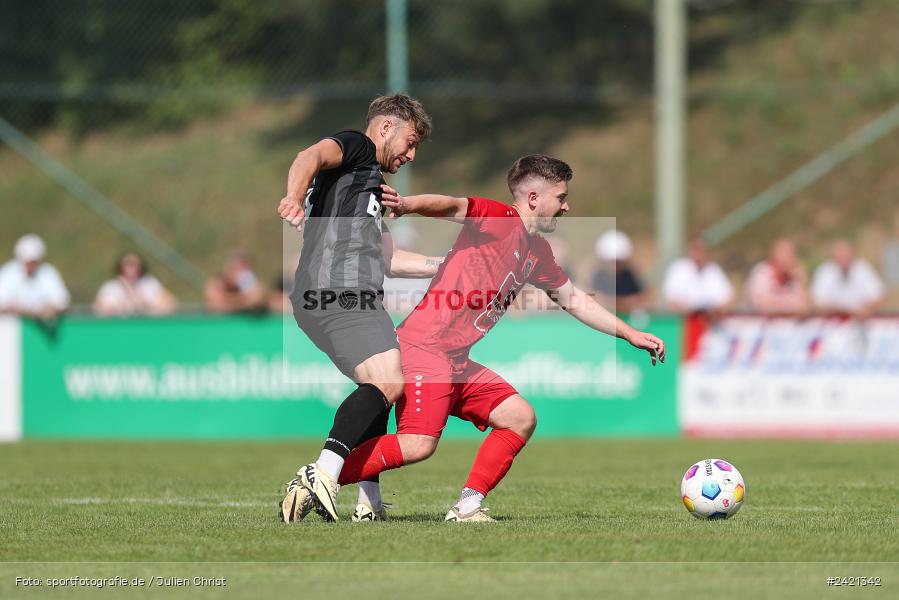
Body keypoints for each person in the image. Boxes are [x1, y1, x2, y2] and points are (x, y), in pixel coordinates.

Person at [289, 155, 665, 523]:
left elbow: (576, 300)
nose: (566, 206)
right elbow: (453, 205)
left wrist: (630, 333)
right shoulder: (499, 219)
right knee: (419, 445)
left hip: (455, 360)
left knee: (520, 417)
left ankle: (467, 506)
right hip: (425, 349)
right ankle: (320, 477)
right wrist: (407, 204)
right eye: (561, 197)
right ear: (533, 198)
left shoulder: (538, 251)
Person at [278, 93, 439, 523]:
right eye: (410, 141)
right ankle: (323, 474)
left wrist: (449, 267)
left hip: (336, 293)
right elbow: (308, 155)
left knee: (381, 386)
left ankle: (368, 500)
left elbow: (390, 260)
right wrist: (293, 196)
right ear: (386, 128)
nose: (411, 153)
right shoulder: (358, 147)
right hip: (339, 288)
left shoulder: (366, 187)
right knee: (388, 380)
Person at [0, 234, 70, 321]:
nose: (31, 266)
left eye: (34, 262)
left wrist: (48, 309)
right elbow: (3, 303)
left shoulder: (48, 272)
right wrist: (27, 312)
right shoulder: (8, 273)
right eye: (28, 262)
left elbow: (62, 301)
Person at [811, 240, 884, 316]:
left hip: (861, 321)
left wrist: (864, 309)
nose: (843, 259)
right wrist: (849, 310)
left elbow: (877, 295)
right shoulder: (825, 271)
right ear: (833, 257)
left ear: (853, 255)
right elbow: (819, 303)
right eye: (840, 256)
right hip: (831, 323)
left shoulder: (863, 268)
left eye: (846, 255)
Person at [662, 237, 733, 314]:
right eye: (696, 249)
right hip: (684, 319)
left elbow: (727, 298)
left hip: (711, 319)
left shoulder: (714, 269)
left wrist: (715, 309)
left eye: (702, 250)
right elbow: (672, 299)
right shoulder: (678, 268)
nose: (699, 254)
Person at [94, 253, 177, 316]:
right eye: (128, 264)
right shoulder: (111, 286)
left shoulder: (149, 283)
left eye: (134, 264)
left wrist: (144, 304)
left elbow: (170, 304)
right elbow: (98, 308)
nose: (131, 267)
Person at [745, 238, 809, 314]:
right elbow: (762, 305)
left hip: (789, 323)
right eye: (784, 253)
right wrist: (789, 306)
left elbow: (805, 309)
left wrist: (802, 282)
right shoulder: (761, 272)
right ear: (774, 254)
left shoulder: (795, 276)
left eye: (791, 253)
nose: (788, 258)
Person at [590, 230, 648, 313]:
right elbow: (588, 298)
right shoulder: (596, 275)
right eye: (611, 261)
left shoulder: (631, 276)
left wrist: (609, 302)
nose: (615, 265)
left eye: (618, 261)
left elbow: (643, 300)